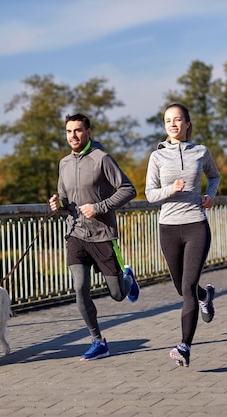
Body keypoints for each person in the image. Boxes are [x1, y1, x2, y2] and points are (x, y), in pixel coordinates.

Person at [48, 113, 140, 361]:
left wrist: (98, 207)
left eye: (78, 131)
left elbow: (128, 189)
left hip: (102, 234)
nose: (73, 136)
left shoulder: (102, 159)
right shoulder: (64, 163)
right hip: (75, 233)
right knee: (80, 288)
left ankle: (128, 279)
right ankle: (98, 341)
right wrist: (59, 205)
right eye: (69, 131)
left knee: (118, 294)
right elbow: (66, 200)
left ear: (88, 132)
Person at [145, 102, 220, 367]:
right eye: (168, 120)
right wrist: (170, 189)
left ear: (187, 123)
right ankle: (205, 296)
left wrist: (210, 195)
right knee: (181, 288)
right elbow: (150, 194)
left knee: (187, 287)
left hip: (196, 224)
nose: (173, 124)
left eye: (178, 120)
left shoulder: (200, 151)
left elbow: (214, 176)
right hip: (168, 228)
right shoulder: (157, 157)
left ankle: (184, 346)